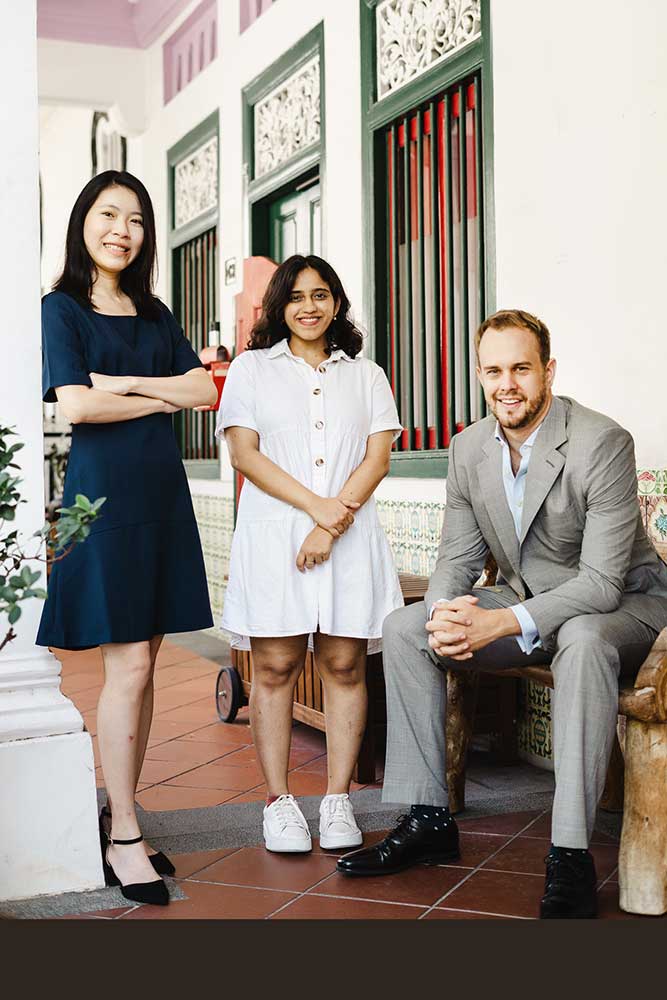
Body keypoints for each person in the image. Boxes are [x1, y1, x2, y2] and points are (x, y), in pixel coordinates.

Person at [336, 309, 667, 918]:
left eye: (521, 367)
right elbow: (456, 560)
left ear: (549, 371)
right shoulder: (468, 449)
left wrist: (499, 623)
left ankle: (570, 854)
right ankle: (429, 818)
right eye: (493, 370)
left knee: (586, 639)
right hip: (525, 606)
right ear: (479, 375)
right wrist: (444, 616)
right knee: (405, 629)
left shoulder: (602, 441)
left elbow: (598, 584)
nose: (506, 383)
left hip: (624, 607)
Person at [37, 170, 217, 906]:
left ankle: (125, 810)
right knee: (131, 668)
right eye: (109, 214)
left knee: (143, 660)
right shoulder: (61, 308)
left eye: (136, 219)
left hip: (161, 494)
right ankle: (124, 835)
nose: (122, 229)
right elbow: (76, 404)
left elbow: (205, 392)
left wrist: (125, 384)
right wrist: (151, 391)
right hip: (104, 499)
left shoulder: (153, 311)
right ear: (84, 222)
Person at [216, 254, 403, 854]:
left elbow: (377, 459)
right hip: (277, 536)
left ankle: (339, 799)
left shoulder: (367, 376)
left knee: (345, 666)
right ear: (278, 306)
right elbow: (245, 454)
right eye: (296, 296)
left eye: (321, 294)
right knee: (274, 669)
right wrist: (317, 509)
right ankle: (279, 802)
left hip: (345, 541)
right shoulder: (251, 370)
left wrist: (333, 520)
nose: (309, 306)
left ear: (338, 303)